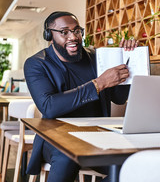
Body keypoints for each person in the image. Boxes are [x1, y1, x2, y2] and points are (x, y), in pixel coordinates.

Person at [24, 11, 138, 182]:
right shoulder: (37, 63)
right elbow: (49, 106)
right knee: (67, 158)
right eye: (64, 32)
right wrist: (98, 84)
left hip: (99, 136)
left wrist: (129, 60)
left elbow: (119, 98)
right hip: (56, 137)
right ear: (49, 35)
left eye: (77, 31)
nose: (73, 37)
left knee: (134, 164)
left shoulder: (95, 57)